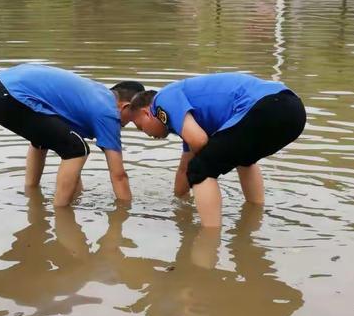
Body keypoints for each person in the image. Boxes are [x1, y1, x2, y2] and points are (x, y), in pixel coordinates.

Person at [130, 73, 306, 227]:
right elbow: (184, 168)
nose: (145, 133)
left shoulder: (162, 100)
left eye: (140, 127)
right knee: (244, 160)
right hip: (294, 111)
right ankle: (254, 217)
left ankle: (209, 239)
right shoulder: (188, 122)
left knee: (200, 169)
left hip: (267, 106)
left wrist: (207, 176)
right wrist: (178, 202)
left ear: (147, 113)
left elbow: (199, 144)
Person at [0, 63, 144, 206]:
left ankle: (32, 195)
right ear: (125, 106)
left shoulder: (93, 95)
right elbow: (119, 175)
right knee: (77, 149)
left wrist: (79, 194)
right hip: (7, 94)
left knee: (44, 140)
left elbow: (64, 144)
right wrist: (126, 213)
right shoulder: (108, 112)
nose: (126, 125)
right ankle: (61, 214)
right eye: (132, 118)